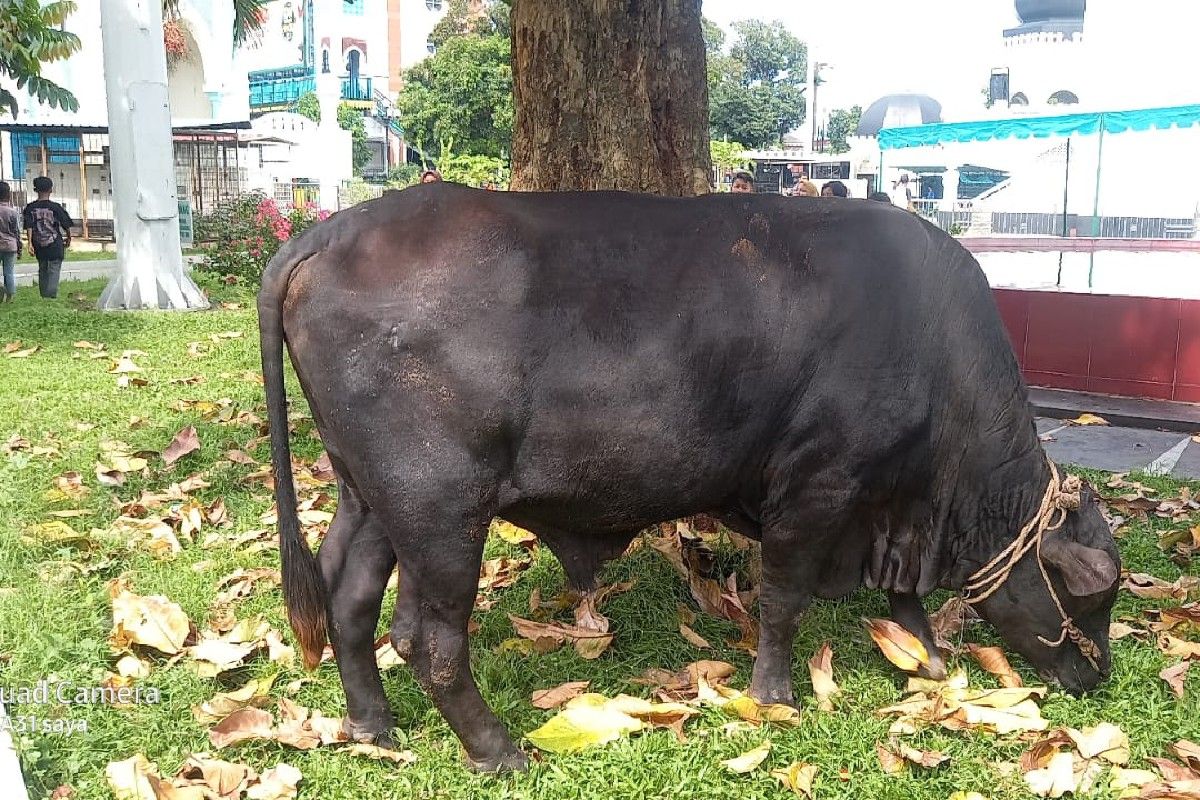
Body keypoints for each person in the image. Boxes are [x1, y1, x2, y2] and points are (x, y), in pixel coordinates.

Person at [22, 176, 72, 299]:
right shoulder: (56, 207)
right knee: (54, 268)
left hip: (38, 244)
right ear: (51, 189)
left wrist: (30, 244)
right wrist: (69, 237)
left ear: (35, 190)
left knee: (43, 268)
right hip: (55, 243)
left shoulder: (30, 208)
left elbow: (29, 226)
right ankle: (51, 295)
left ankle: (44, 295)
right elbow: (66, 224)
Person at [0, 182, 21, 302]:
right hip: (10, 245)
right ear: (8, 195)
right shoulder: (12, 212)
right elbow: (16, 231)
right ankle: (10, 296)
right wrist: (19, 247)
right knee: (9, 271)